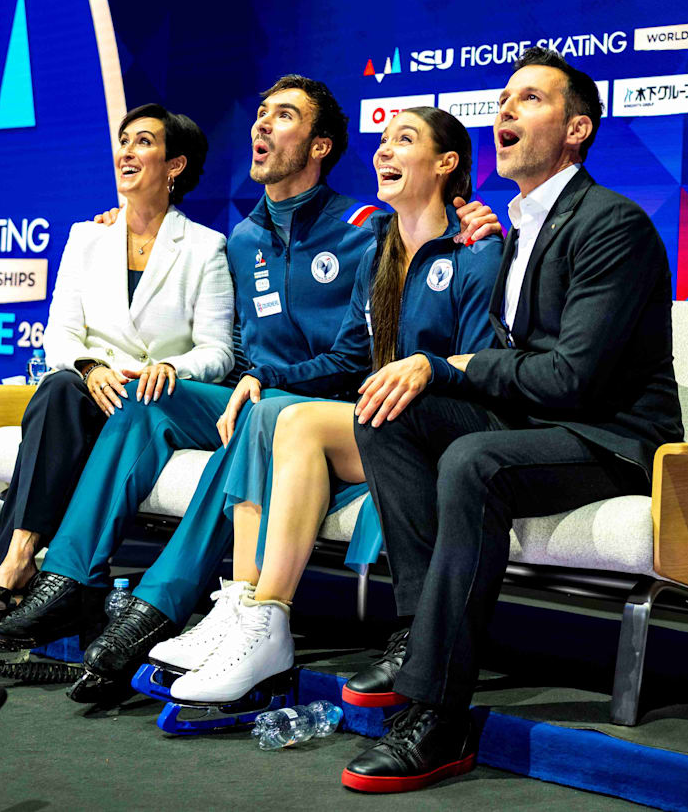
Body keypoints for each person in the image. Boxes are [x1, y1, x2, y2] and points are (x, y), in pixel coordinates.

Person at [0, 78, 500, 699]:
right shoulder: (241, 238)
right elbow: (235, 349)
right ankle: (68, 579)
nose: (260, 126)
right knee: (151, 397)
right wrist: (122, 232)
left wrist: (473, 218)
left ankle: (162, 608)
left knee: (259, 414)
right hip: (254, 392)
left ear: (321, 146)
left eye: (282, 117)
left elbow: (361, 354)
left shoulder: (366, 230)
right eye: (259, 113)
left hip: (323, 401)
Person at [339, 48, 684, 793]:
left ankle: (438, 713)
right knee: (386, 411)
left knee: (475, 460)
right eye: (502, 98)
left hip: (618, 438)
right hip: (544, 422)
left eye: (528, 99)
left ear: (577, 130)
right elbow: (517, 359)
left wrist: (451, 365)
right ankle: (415, 635)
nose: (504, 111)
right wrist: (436, 375)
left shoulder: (611, 224)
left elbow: (572, 376)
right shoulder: (518, 229)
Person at [140, 107, 501, 716]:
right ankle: (247, 607)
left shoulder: (477, 249)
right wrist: (264, 376)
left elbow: (483, 371)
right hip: (383, 422)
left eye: (404, 141)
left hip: (446, 428)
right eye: (383, 140)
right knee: (269, 409)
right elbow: (356, 357)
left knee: (298, 419)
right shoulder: (380, 253)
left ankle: (267, 620)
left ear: (447, 165)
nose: (384, 151)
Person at [0, 104, 232, 661]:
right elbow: (60, 334)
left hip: (154, 401)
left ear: (175, 165)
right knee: (60, 387)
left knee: (49, 420)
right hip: (88, 394)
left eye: (143, 142)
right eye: (122, 141)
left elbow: (218, 351)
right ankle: (18, 561)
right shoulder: (85, 237)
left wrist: (175, 368)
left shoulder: (206, 247)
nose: (126, 152)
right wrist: (90, 367)